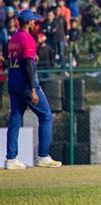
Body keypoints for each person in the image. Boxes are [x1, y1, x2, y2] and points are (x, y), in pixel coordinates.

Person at [5, 10, 62, 169]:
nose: (35, 23)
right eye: (34, 21)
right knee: (46, 115)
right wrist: (33, 89)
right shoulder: (28, 39)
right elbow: (29, 66)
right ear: (29, 23)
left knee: (15, 118)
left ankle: (11, 159)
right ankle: (43, 156)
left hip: (13, 83)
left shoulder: (13, 39)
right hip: (25, 85)